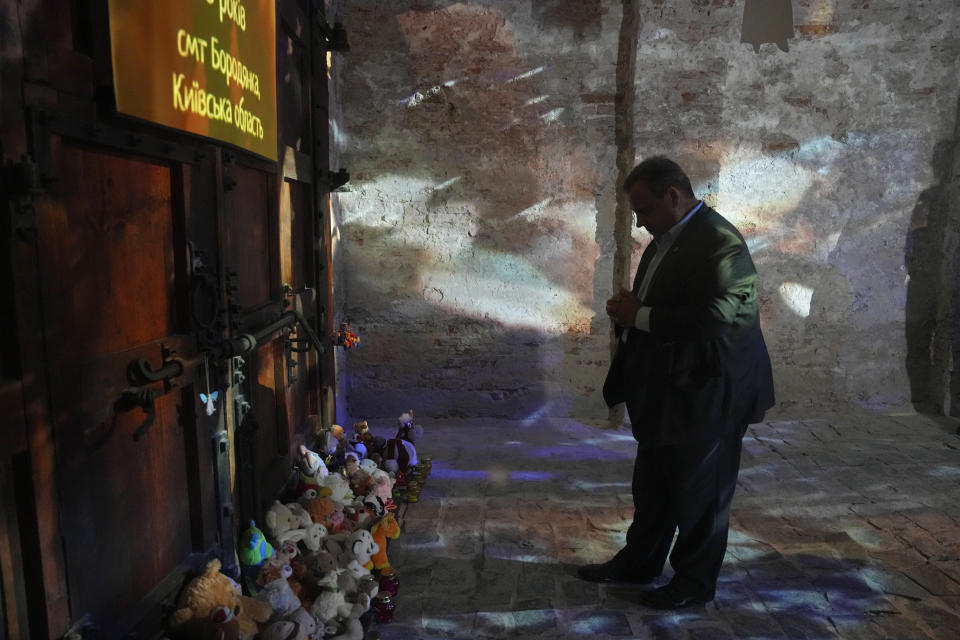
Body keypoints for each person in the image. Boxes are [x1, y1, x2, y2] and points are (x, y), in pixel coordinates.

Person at [577, 156, 775, 609]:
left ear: (673, 196)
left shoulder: (720, 242)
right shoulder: (666, 238)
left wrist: (640, 315)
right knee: (655, 483)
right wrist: (632, 310)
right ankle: (640, 561)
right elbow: (667, 303)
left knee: (702, 493)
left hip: (712, 390)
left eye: (644, 209)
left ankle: (694, 582)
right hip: (672, 388)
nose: (641, 222)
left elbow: (719, 316)